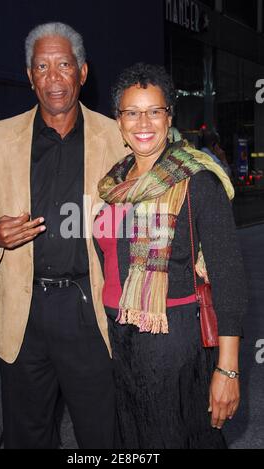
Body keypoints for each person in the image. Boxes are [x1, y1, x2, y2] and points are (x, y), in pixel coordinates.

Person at [0, 22, 127, 449]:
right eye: (42, 66)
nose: (54, 78)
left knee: (102, 435)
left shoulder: (117, 138)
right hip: (23, 313)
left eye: (64, 65)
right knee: (28, 437)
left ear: (83, 72)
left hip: (89, 311)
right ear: (29, 75)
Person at [93, 63, 247, 449]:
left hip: (172, 341)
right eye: (132, 112)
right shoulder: (116, 180)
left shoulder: (198, 180)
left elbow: (229, 280)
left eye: (154, 110)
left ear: (169, 117)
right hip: (120, 338)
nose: (143, 121)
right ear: (119, 120)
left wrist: (227, 370)